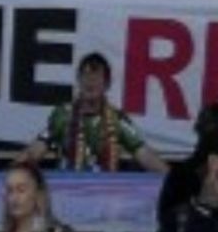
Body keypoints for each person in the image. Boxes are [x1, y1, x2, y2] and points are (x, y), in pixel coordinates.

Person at [23, 52, 166, 174]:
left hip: (105, 197)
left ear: (107, 84)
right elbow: (35, 151)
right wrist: (11, 174)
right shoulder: (63, 115)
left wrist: (174, 181)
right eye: (85, 76)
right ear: (78, 81)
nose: (90, 82)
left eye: (96, 77)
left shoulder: (117, 119)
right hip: (68, 195)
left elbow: (145, 155)